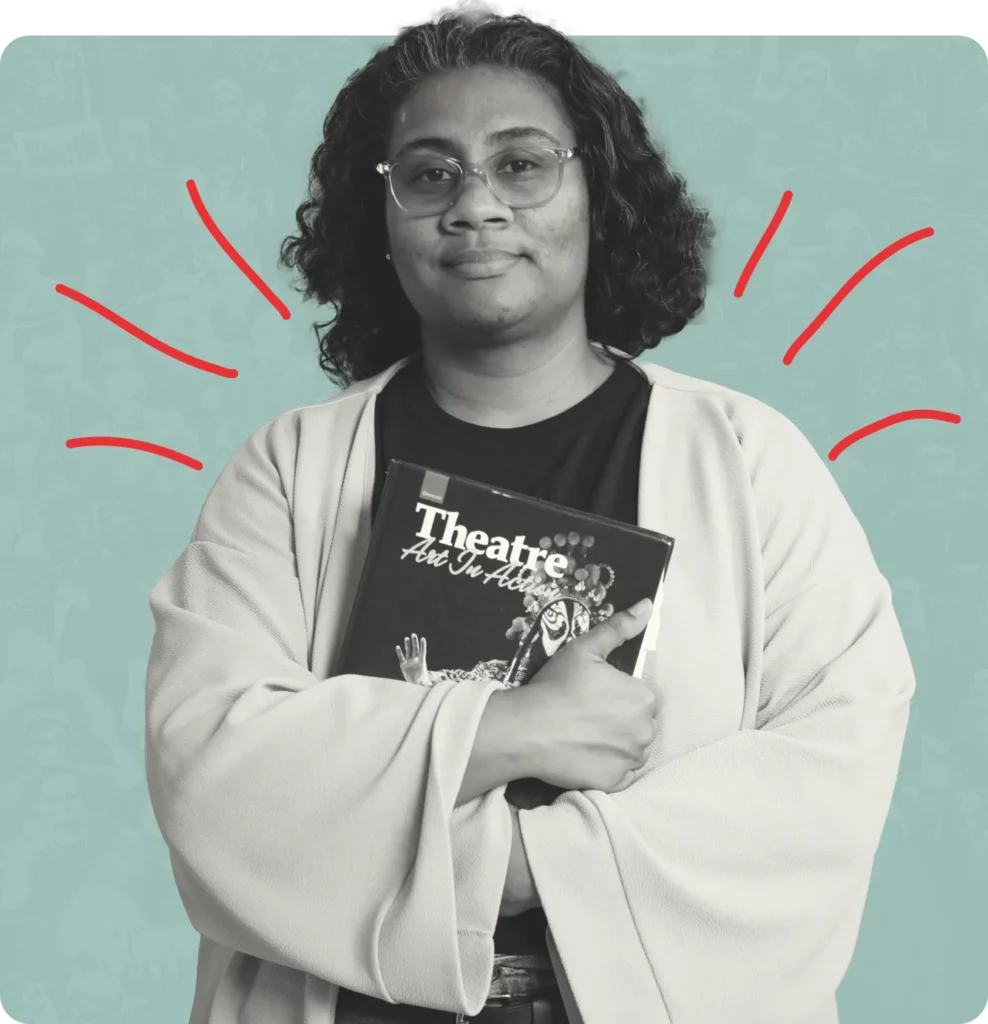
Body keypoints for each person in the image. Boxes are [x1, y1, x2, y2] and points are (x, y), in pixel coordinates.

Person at [143, 4, 915, 1023]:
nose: (474, 207)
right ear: (376, 220)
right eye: (428, 173)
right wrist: (507, 728)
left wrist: (513, 867)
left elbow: (828, 770)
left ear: (601, 194)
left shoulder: (746, 459)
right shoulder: (289, 470)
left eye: (521, 165)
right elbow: (214, 768)